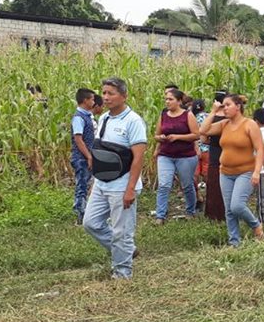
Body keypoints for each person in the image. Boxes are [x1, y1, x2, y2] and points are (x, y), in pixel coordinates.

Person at [82, 77, 147, 280]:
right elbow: (101, 153)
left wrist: (130, 189)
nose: (106, 97)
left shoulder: (133, 121)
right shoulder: (104, 119)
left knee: (122, 232)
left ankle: (122, 272)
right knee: (90, 223)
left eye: (111, 93)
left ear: (124, 96)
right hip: (102, 183)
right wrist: (95, 182)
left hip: (122, 184)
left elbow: (138, 158)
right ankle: (126, 251)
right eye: (104, 93)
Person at [202, 95, 264, 246]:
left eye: (227, 105)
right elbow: (203, 130)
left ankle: (255, 225)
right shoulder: (224, 124)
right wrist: (213, 112)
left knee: (236, 205)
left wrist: (257, 171)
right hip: (225, 172)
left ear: (238, 106)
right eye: (223, 106)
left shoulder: (249, 125)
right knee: (229, 210)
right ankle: (234, 241)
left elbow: (260, 149)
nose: (225, 108)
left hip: (245, 171)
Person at [153, 88, 200, 223]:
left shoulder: (188, 115)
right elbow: (156, 135)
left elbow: (196, 135)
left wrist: (178, 137)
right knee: (164, 185)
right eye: (166, 99)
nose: (167, 102)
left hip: (185, 156)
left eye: (170, 99)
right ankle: (160, 215)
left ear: (179, 101)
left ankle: (190, 210)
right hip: (166, 155)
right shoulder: (163, 115)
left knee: (187, 185)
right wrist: (160, 137)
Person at [70, 88, 97, 225]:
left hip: (86, 157)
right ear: (85, 100)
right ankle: (81, 215)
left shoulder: (87, 116)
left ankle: (88, 214)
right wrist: (89, 156)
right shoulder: (79, 118)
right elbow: (78, 139)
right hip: (81, 158)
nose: (94, 102)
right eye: (92, 99)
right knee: (82, 186)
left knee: (88, 185)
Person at [203, 93, 228, 222]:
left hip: (215, 155)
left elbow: (203, 137)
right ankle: (225, 214)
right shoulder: (230, 119)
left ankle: (213, 215)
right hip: (228, 157)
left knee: (214, 186)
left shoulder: (212, 118)